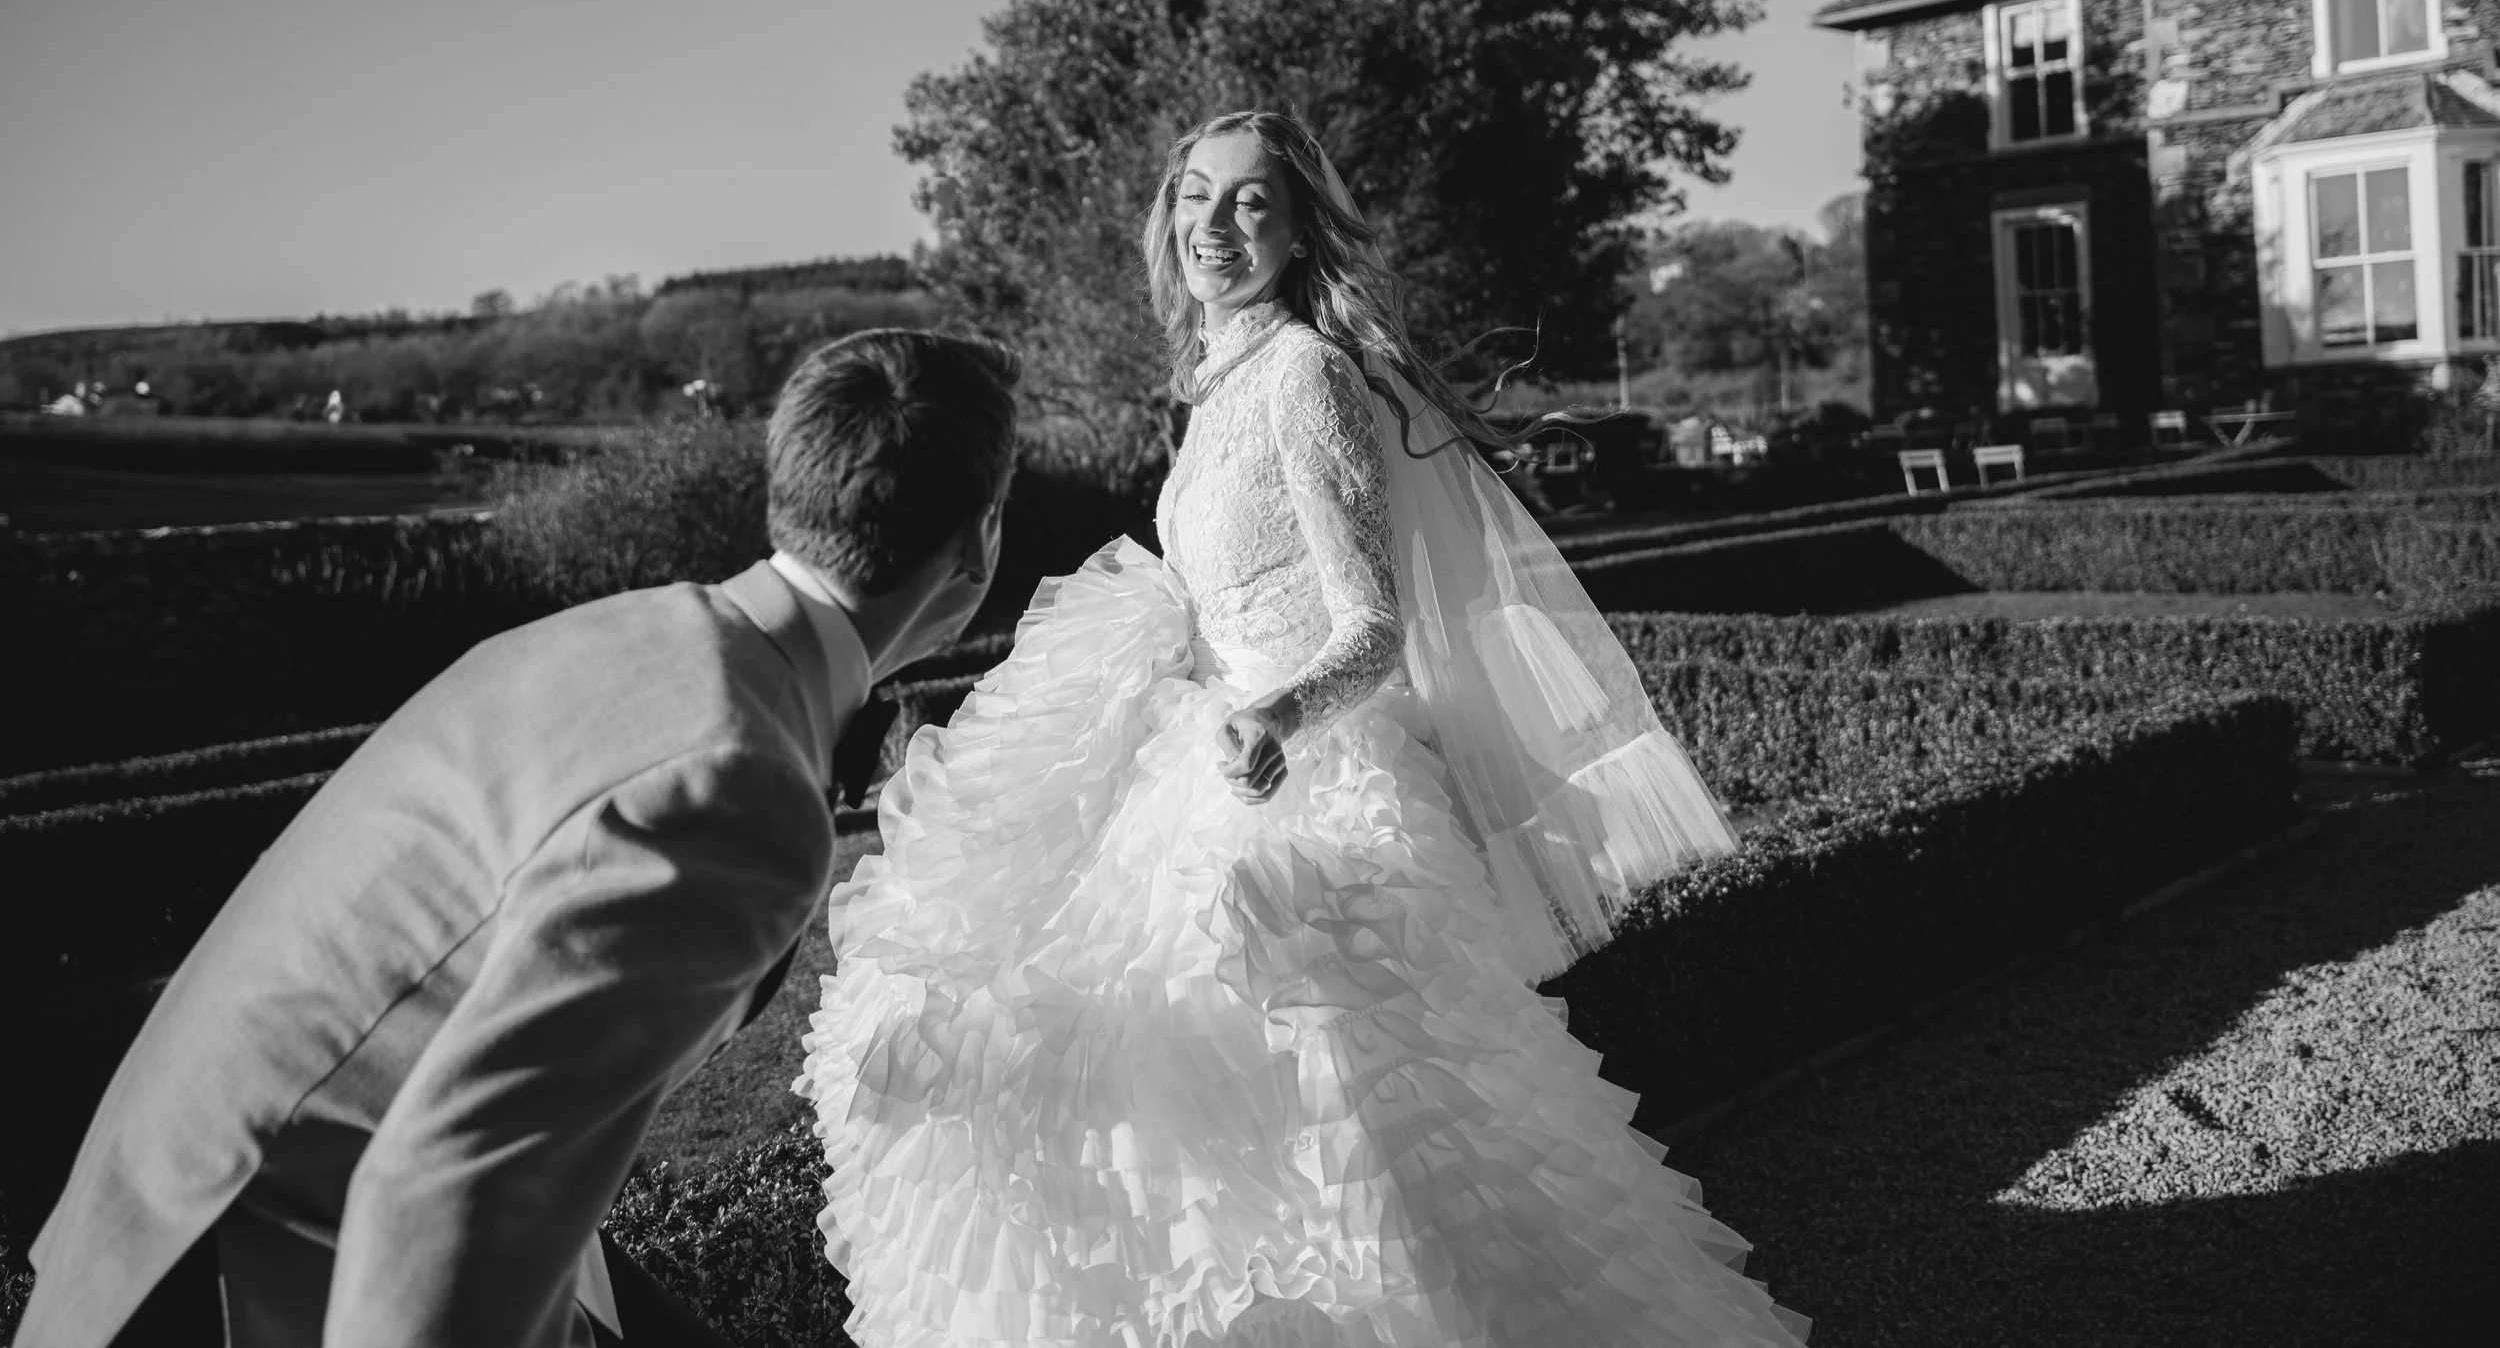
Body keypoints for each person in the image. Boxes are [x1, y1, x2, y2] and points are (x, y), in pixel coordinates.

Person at [796, 113, 1811, 1346]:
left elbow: (1371, 624)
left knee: (1353, 1120)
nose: (1214, 226)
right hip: (1197, 761)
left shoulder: (1303, 373)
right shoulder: (1213, 379)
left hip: (1306, 783)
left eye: (1249, 203)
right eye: (1195, 196)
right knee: (1180, 1102)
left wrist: (1278, 710)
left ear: (1295, 228)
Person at [19, 328, 1020, 1348]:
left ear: (790, 486)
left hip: (164, 1204)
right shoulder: (737, 786)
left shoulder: (620, 633)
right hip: (259, 1272)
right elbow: (444, 1195)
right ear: (980, 543)